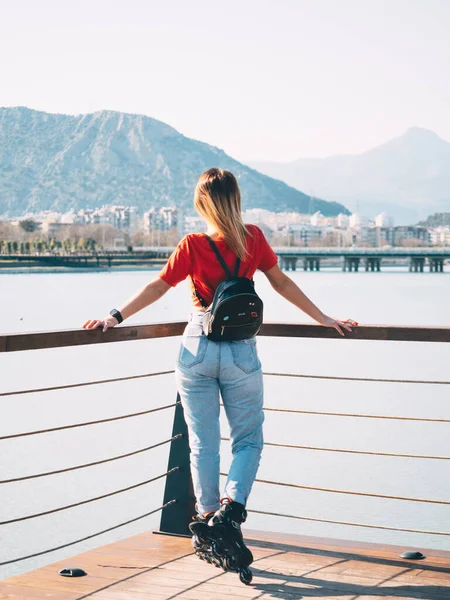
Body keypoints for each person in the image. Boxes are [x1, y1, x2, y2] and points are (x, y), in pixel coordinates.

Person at [82, 168, 356, 579]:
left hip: (196, 347)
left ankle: (209, 519)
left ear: (201, 203)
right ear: (236, 198)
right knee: (248, 440)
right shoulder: (254, 239)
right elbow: (280, 283)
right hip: (240, 350)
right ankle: (231, 511)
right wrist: (323, 318)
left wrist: (115, 315)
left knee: (202, 443)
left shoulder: (192, 244)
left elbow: (159, 287)